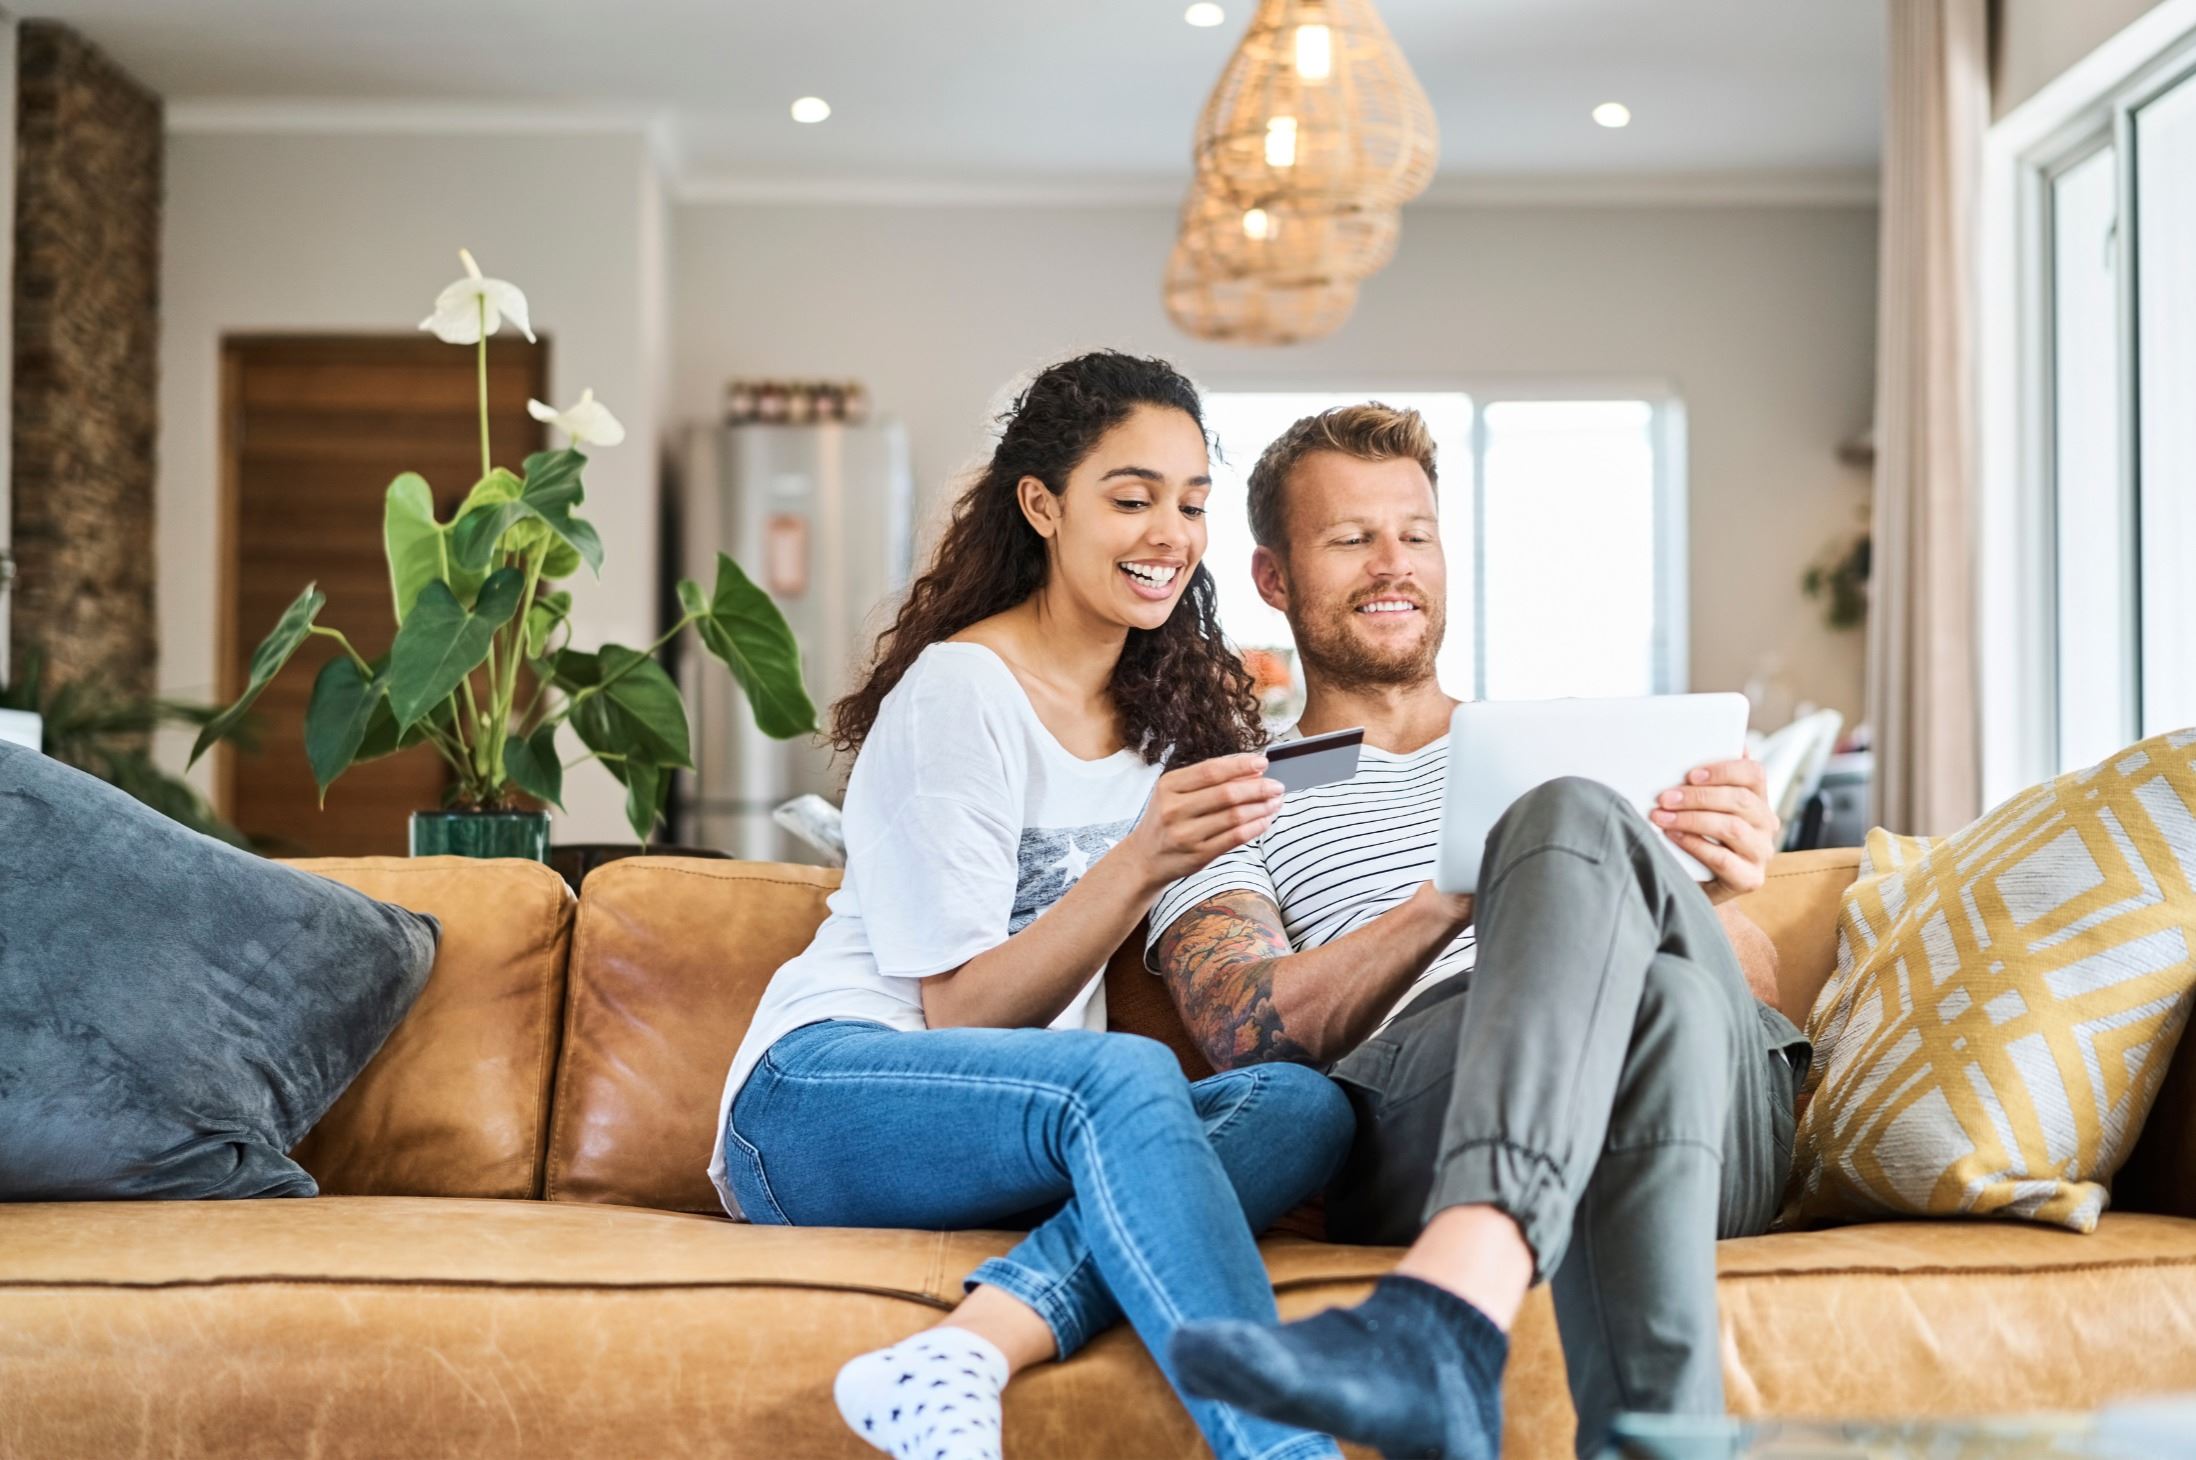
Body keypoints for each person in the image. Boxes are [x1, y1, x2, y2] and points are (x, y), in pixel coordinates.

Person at [709, 352, 1355, 1460]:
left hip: (1027, 1117)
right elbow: (960, 1012)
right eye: (1133, 496)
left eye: (1192, 503)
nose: (1170, 532)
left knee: (1304, 1108)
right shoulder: (964, 689)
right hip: (818, 1094)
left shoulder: (1164, 720)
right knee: (1125, 1078)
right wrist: (1141, 859)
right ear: (1044, 505)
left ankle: (959, 1351)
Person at [1147, 404, 1802, 1460]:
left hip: (1725, 1118)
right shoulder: (1235, 791)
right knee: (1649, 981)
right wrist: (1462, 888)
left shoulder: (1582, 747)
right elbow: (1252, 1030)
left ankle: (1445, 1315)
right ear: (1274, 578)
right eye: (1351, 538)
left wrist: (1716, 891)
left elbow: (1757, 993)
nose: (1393, 564)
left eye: (1416, 533)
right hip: (1431, 1099)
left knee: (1651, 937)